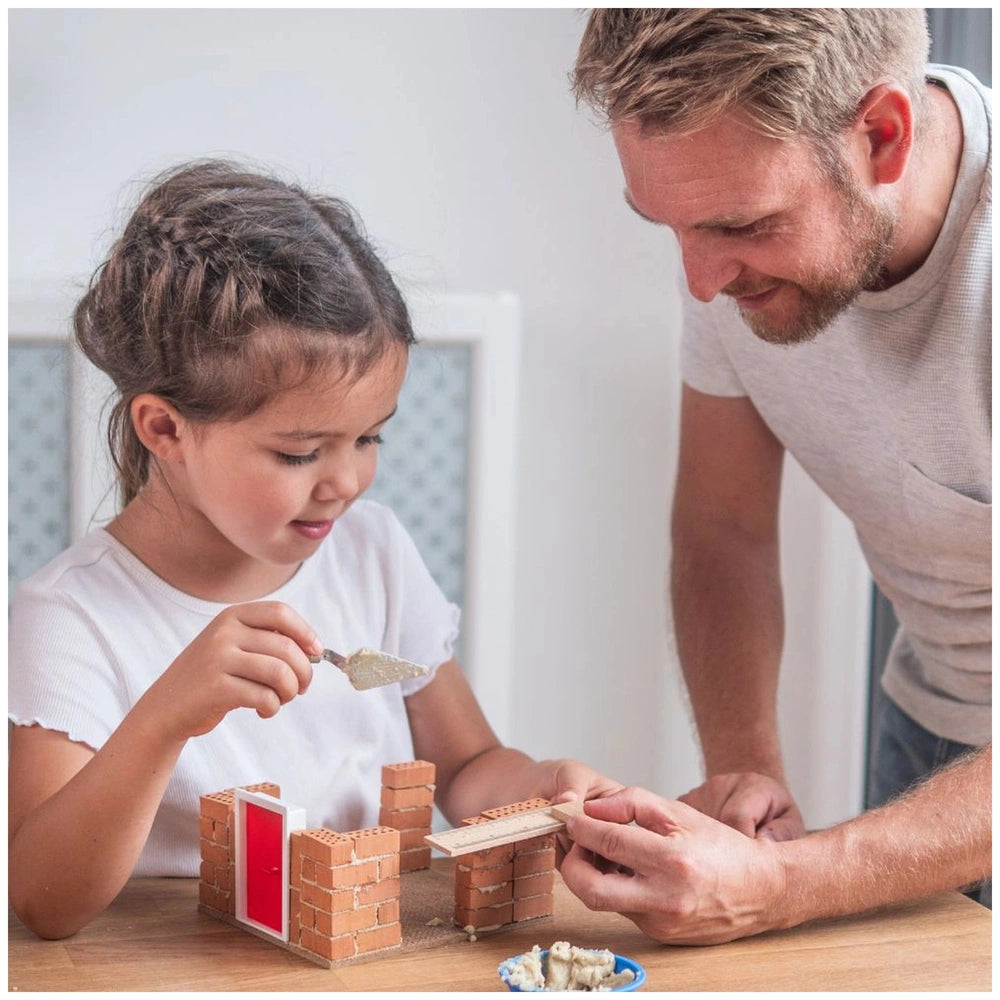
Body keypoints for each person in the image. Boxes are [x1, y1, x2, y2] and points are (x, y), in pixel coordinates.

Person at [7, 160, 621, 940]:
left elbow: (467, 769)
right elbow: (42, 901)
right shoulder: (73, 615)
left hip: (361, 948)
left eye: (369, 438)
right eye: (299, 454)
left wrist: (544, 786)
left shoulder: (375, 554)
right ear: (164, 429)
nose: (345, 482)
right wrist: (166, 718)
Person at [561, 8, 991, 944]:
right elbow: (723, 529)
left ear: (882, 136)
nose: (703, 281)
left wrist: (786, 883)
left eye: (743, 224)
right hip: (927, 726)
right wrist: (748, 787)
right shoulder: (725, 247)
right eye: (667, 226)